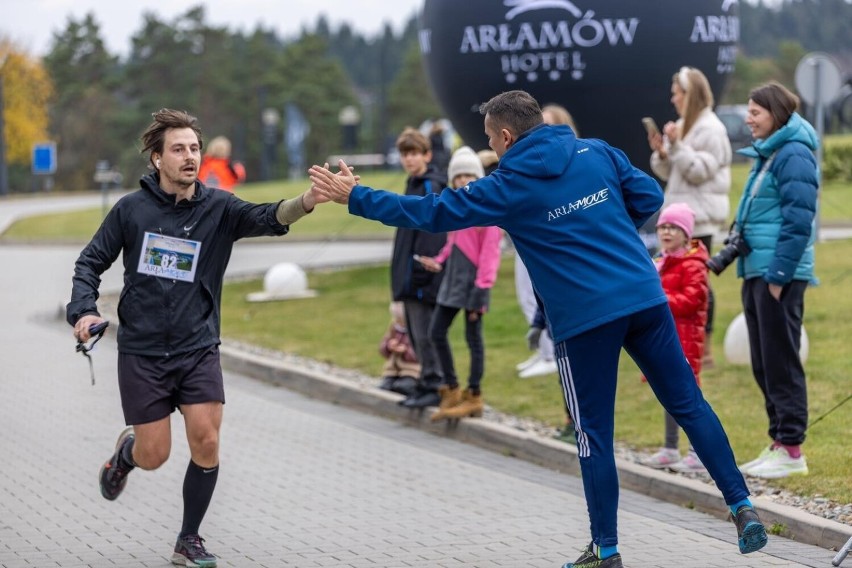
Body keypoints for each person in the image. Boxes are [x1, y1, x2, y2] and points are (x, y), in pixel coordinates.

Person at [309, 89, 767, 568]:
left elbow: (432, 212)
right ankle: (741, 507)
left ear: (506, 136)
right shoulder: (597, 151)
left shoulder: (506, 185)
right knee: (689, 405)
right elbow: (650, 196)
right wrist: (603, 228)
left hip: (584, 319)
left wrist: (356, 196)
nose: (491, 146)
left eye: (490, 138)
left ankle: (607, 553)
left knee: (593, 436)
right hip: (643, 298)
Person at [66, 109, 328, 568]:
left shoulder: (219, 209)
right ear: (156, 159)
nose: (189, 157)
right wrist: (84, 309)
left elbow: (267, 216)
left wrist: (307, 199)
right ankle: (125, 456)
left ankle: (189, 538)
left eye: (194, 148)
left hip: (197, 346)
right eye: (178, 149)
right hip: (143, 352)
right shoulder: (131, 210)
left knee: (206, 441)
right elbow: (89, 263)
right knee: (156, 455)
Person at [728, 81, 818, 480]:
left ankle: (793, 449)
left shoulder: (794, 153)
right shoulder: (770, 153)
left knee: (781, 360)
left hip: (778, 273)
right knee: (763, 361)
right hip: (757, 268)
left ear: (776, 114)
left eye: (755, 112)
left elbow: (800, 221)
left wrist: (779, 274)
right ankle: (779, 441)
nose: (748, 119)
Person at [648, 66, 732, 369]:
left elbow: (698, 173)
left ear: (690, 94)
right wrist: (662, 153)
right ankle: (685, 341)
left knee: (698, 284)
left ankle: (705, 348)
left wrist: (678, 146)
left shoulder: (711, 128)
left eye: (677, 93)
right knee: (679, 281)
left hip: (700, 219)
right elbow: (673, 173)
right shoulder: (687, 124)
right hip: (682, 216)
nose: (673, 99)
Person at [415, 146, 503, 421]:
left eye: (469, 175)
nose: (464, 181)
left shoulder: (487, 213)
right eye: (459, 176)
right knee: (436, 331)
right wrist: (439, 260)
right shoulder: (457, 208)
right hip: (452, 280)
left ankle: (474, 394)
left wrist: (482, 290)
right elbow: (454, 242)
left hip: (474, 285)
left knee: (473, 339)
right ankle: (451, 388)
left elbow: (490, 254)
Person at [642, 203, 709, 473]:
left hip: (686, 339)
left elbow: (693, 300)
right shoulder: (660, 261)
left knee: (688, 396)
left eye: (674, 228)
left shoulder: (693, 265)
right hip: (664, 338)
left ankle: (699, 452)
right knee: (668, 393)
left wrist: (659, 299)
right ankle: (670, 448)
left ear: (687, 234)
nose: (667, 232)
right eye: (663, 227)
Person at [515, 103, 578, 379]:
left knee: (546, 295)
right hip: (530, 234)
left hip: (551, 241)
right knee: (528, 294)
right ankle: (543, 350)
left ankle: (552, 353)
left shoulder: (574, 159)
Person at [388, 127, 448, 409]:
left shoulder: (429, 185)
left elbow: (431, 233)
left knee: (425, 335)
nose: (409, 160)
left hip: (423, 278)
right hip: (409, 276)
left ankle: (435, 384)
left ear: (427, 154)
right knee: (415, 334)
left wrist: (421, 273)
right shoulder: (412, 183)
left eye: (414, 154)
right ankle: (425, 381)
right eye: (405, 154)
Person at [377, 301, 421, 398]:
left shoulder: (416, 329)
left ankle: (415, 388)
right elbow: (382, 348)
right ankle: (392, 381)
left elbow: (420, 354)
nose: (400, 324)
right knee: (384, 387)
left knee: (404, 387)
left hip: (411, 370)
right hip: (394, 369)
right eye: (397, 320)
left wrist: (406, 350)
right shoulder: (394, 327)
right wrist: (389, 346)